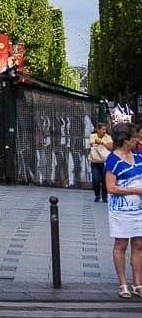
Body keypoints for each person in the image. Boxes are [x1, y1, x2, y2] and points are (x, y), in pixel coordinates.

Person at [104, 122, 142, 299]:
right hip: (121, 210)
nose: (137, 139)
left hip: (139, 209)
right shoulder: (113, 160)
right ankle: (122, 283)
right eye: (134, 137)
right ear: (125, 140)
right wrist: (136, 190)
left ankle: (137, 282)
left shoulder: (139, 156)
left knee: (139, 244)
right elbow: (111, 187)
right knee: (121, 244)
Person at [88, 123, 113, 202]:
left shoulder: (108, 137)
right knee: (95, 179)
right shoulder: (93, 135)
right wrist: (97, 141)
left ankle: (105, 196)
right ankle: (97, 195)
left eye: (105, 129)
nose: (104, 131)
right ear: (98, 130)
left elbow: (110, 147)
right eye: (102, 129)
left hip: (104, 162)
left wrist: (102, 143)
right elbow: (92, 143)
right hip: (95, 161)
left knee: (104, 180)